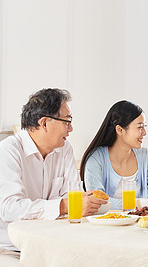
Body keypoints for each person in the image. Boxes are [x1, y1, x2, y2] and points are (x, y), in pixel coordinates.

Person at [0, 88, 106, 257]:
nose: (70, 129)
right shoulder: (8, 151)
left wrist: (80, 201)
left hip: (54, 242)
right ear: (44, 123)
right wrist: (63, 205)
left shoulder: (64, 150)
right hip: (13, 248)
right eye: (67, 121)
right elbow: (10, 209)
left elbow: (71, 197)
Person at [80, 100, 148, 210]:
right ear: (120, 130)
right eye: (139, 127)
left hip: (138, 224)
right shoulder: (96, 158)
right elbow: (96, 201)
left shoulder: (145, 156)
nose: (144, 133)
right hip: (107, 224)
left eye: (144, 126)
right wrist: (142, 203)